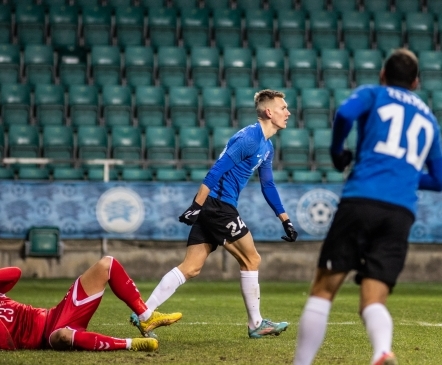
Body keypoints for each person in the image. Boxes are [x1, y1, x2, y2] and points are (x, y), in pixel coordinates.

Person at [293, 48, 442, 365]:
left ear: (383, 75)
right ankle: (382, 350)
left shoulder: (373, 93)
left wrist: (338, 154)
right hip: (400, 212)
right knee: (374, 299)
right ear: (416, 82)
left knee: (323, 289)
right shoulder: (429, 118)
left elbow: (345, 114)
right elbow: (439, 178)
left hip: (362, 199)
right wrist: (403, 177)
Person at [130, 89, 298, 339]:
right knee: (252, 259)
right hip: (218, 206)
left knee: (191, 267)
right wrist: (196, 205)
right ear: (268, 111)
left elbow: (268, 185)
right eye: (283, 108)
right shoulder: (250, 139)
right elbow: (216, 170)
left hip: (215, 206)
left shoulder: (267, 145)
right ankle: (256, 324)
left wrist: (285, 220)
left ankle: (144, 314)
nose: (288, 112)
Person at [0, 256, 182, 351]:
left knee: (106, 264)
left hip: (56, 314)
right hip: (46, 336)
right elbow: (7, 342)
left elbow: (15, 273)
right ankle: (130, 343)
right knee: (64, 335)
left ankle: (146, 317)